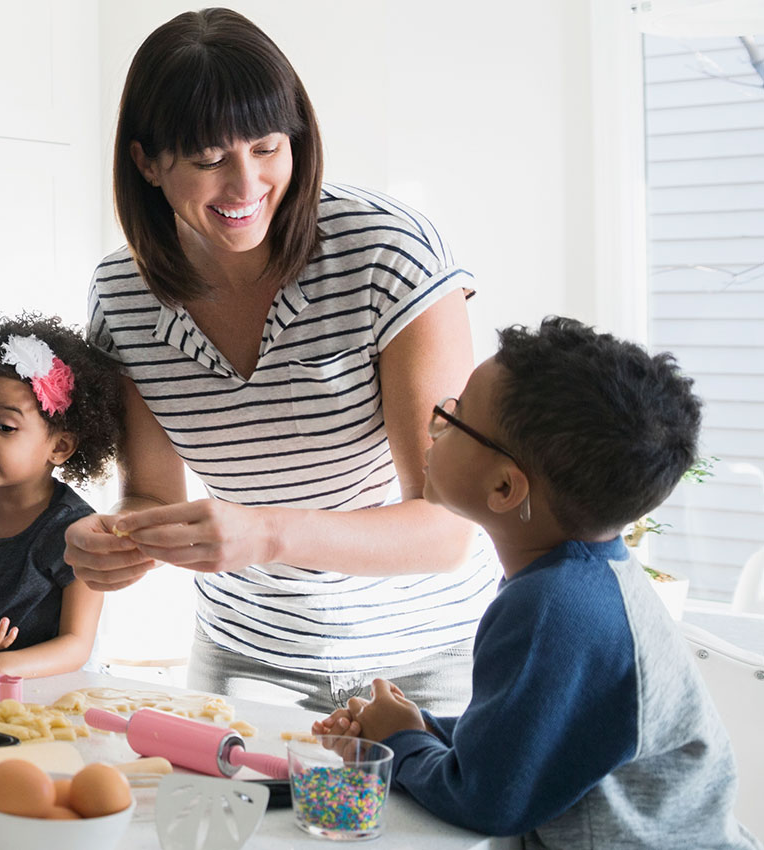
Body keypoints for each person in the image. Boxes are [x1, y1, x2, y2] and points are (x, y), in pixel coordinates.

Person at [67, 8, 499, 713]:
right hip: (245, 657)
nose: (244, 186)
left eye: (267, 147)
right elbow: (151, 492)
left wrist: (265, 531)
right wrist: (119, 539)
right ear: (145, 161)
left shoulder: (386, 254)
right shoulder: (121, 295)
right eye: (208, 160)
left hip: (429, 656)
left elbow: (447, 526)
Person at [312, 318, 758, 848]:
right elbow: (538, 735)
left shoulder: (552, 608)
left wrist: (402, 743)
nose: (435, 424)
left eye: (454, 417)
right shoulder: (587, 579)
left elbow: (487, 799)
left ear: (504, 486)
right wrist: (419, 729)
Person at [0, 314, 122, 677]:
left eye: (5, 426)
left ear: (60, 446)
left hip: (55, 701)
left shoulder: (80, 533)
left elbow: (76, 647)